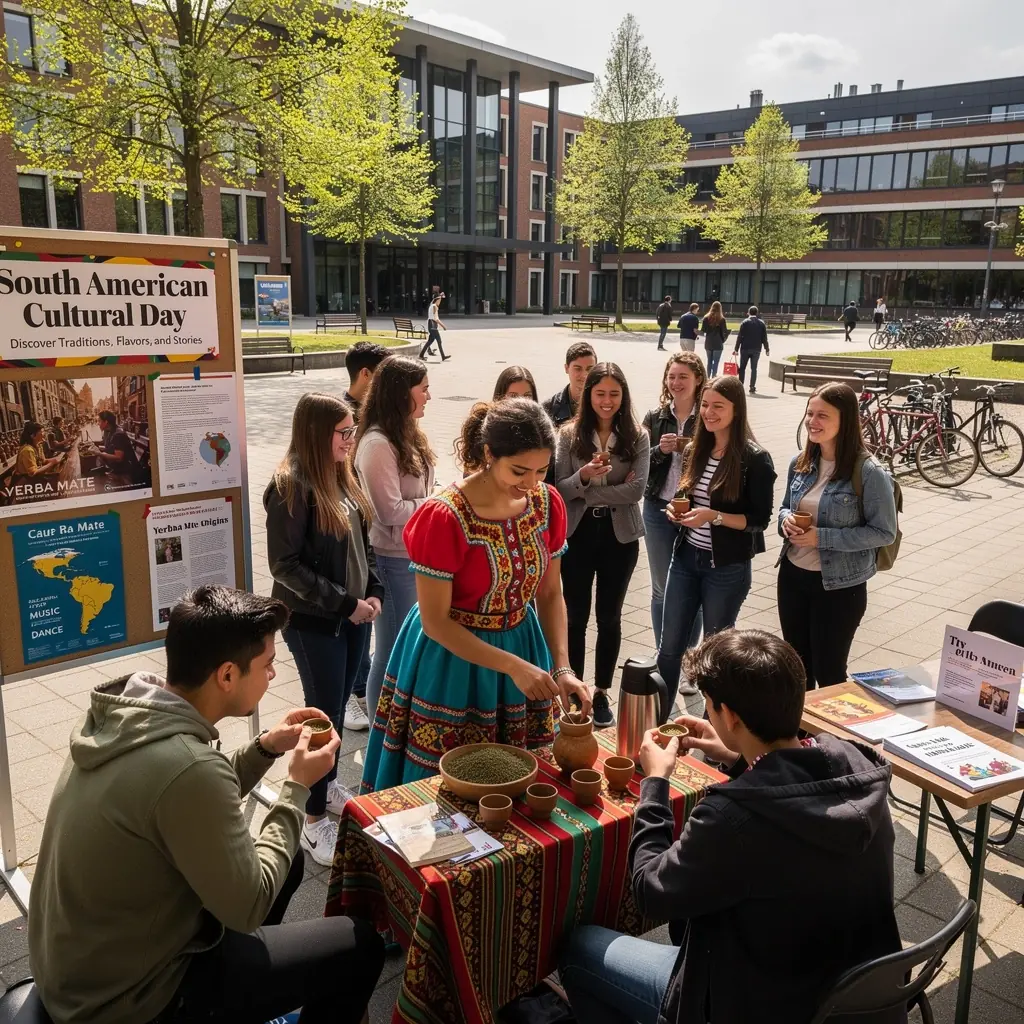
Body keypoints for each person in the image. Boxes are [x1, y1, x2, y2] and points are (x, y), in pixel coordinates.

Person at [29, 585, 385, 1024]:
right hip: (129, 1000)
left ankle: (250, 1000)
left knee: (287, 862)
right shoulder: (187, 766)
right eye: (269, 665)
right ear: (228, 675)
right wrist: (297, 787)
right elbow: (249, 903)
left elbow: (186, 794)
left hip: (83, 970)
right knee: (359, 944)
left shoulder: (128, 718)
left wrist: (266, 747)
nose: (274, 676)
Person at [559, 629, 901, 1024]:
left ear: (731, 716)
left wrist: (654, 784)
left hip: (753, 1001)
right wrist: (738, 758)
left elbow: (650, 891)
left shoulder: (732, 818)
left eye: (708, 704)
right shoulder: (857, 768)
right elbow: (795, 791)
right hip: (850, 999)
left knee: (579, 946)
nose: (706, 712)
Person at [360, 399, 592, 792]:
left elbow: (551, 593)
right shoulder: (445, 516)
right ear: (488, 454)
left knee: (520, 783)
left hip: (524, 643)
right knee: (449, 788)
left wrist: (562, 667)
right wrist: (513, 667)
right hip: (452, 658)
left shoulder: (547, 504)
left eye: (541, 470)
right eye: (519, 470)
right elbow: (435, 621)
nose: (531, 482)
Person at [265, 393, 383, 864]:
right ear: (317, 434)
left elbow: (365, 542)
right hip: (316, 623)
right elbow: (285, 565)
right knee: (324, 719)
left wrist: (372, 592)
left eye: (352, 430)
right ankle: (312, 823)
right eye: (344, 432)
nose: (351, 440)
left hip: (353, 616)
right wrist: (344, 604)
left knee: (334, 711)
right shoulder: (290, 485)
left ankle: (327, 785)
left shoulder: (342, 473)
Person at [657, 376, 775, 693]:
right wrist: (675, 512)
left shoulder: (754, 459)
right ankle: (657, 729)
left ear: (737, 410)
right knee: (668, 650)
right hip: (684, 561)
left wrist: (715, 517)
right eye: (705, 404)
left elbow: (759, 520)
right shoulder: (696, 448)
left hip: (726, 569)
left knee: (715, 657)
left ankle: (714, 734)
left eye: (718, 406)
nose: (709, 412)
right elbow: (688, 498)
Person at [778, 383, 898, 690]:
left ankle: (831, 739)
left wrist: (823, 538)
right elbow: (782, 509)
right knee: (796, 670)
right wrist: (786, 522)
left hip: (840, 586)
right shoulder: (801, 463)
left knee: (829, 672)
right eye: (809, 413)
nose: (812, 421)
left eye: (822, 415)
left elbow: (884, 531)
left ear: (844, 420)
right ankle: (800, 737)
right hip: (793, 577)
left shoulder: (870, 472)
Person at [555, 363, 649, 728]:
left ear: (623, 395)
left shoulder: (637, 436)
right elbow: (559, 488)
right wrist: (583, 477)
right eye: (600, 393)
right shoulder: (568, 434)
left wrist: (588, 492)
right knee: (575, 616)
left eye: (614, 393)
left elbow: (637, 490)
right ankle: (575, 690)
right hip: (577, 536)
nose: (607, 401)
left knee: (609, 617)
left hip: (619, 537)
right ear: (588, 394)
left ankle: (602, 691)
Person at [352, 356, 436, 727]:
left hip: (414, 555)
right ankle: (380, 731)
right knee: (390, 651)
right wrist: (436, 503)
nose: (430, 397)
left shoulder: (408, 432)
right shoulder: (376, 443)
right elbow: (389, 511)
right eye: (424, 389)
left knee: (406, 648)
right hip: (391, 560)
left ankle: (397, 725)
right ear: (402, 394)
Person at [641, 352, 707, 654]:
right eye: (672, 376)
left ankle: (688, 655)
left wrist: (693, 450)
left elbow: (718, 462)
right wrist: (659, 451)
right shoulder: (656, 417)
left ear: (698, 380)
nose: (676, 382)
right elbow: (639, 466)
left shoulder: (707, 416)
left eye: (683, 376)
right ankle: (663, 654)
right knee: (661, 588)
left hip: (694, 509)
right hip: (657, 508)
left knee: (691, 586)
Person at [341, 341, 391, 732]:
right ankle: (355, 694)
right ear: (366, 376)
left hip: (369, 526)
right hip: (356, 527)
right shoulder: (345, 418)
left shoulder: (377, 414)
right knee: (357, 611)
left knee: (370, 612)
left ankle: (360, 686)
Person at [543, 341, 597, 427]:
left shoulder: (603, 404)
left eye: (589, 369)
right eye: (578, 369)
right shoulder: (549, 408)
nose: (584, 375)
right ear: (566, 368)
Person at [343, 340, 390, 421]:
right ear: (365, 373)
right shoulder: (342, 416)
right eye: (385, 373)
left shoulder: (383, 403)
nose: (391, 378)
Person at [97, 409, 145, 484]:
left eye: (99, 421)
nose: (98, 423)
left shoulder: (118, 434)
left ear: (106, 422)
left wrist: (99, 453)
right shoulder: (110, 432)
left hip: (127, 474)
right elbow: (111, 448)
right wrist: (97, 448)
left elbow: (119, 458)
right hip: (119, 469)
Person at [731, 305, 770, 395]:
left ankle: (740, 386)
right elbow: (764, 338)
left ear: (748, 312)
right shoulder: (761, 323)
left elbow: (740, 337)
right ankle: (752, 387)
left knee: (742, 368)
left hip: (745, 348)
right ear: (757, 313)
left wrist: (736, 349)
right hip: (756, 348)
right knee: (754, 368)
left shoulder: (744, 322)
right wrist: (767, 349)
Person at [700, 300, 730, 377]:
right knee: (716, 362)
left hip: (709, 342)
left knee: (709, 361)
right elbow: (724, 332)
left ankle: (708, 376)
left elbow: (703, 330)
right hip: (718, 342)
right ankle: (714, 376)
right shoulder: (721, 319)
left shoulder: (706, 318)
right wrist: (724, 338)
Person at [420, 289, 450, 361]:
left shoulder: (432, 305)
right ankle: (443, 356)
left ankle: (421, 355)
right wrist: (443, 326)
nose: (440, 302)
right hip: (433, 325)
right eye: (439, 300)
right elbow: (436, 319)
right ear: (437, 300)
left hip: (430, 324)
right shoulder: (435, 307)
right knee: (439, 341)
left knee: (430, 341)